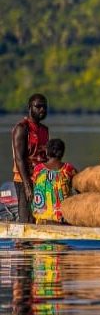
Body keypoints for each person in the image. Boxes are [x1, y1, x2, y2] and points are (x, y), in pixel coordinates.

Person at [11, 94, 49, 223]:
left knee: (40, 218)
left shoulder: (44, 130)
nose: (42, 110)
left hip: (41, 179)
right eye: (38, 106)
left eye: (44, 107)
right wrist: (27, 185)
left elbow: (45, 157)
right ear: (30, 108)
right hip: (24, 180)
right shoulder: (22, 128)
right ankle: (22, 243)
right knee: (26, 220)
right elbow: (19, 158)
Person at [31, 139, 78, 224]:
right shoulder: (69, 169)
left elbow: (35, 188)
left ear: (47, 152)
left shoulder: (38, 169)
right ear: (62, 153)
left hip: (41, 217)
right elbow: (79, 188)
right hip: (63, 218)